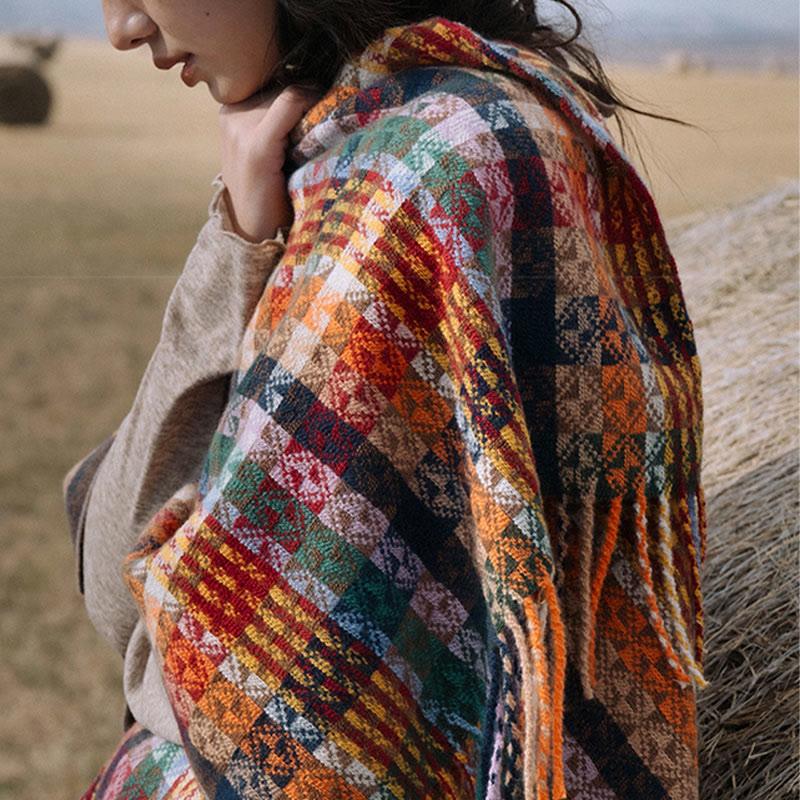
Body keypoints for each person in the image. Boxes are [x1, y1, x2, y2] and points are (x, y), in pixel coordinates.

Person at [64, 1, 707, 798]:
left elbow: (245, 703)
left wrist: (167, 636)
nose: (121, 28)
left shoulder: (426, 170)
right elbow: (115, 584)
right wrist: (232, 242)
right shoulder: (342, 153)